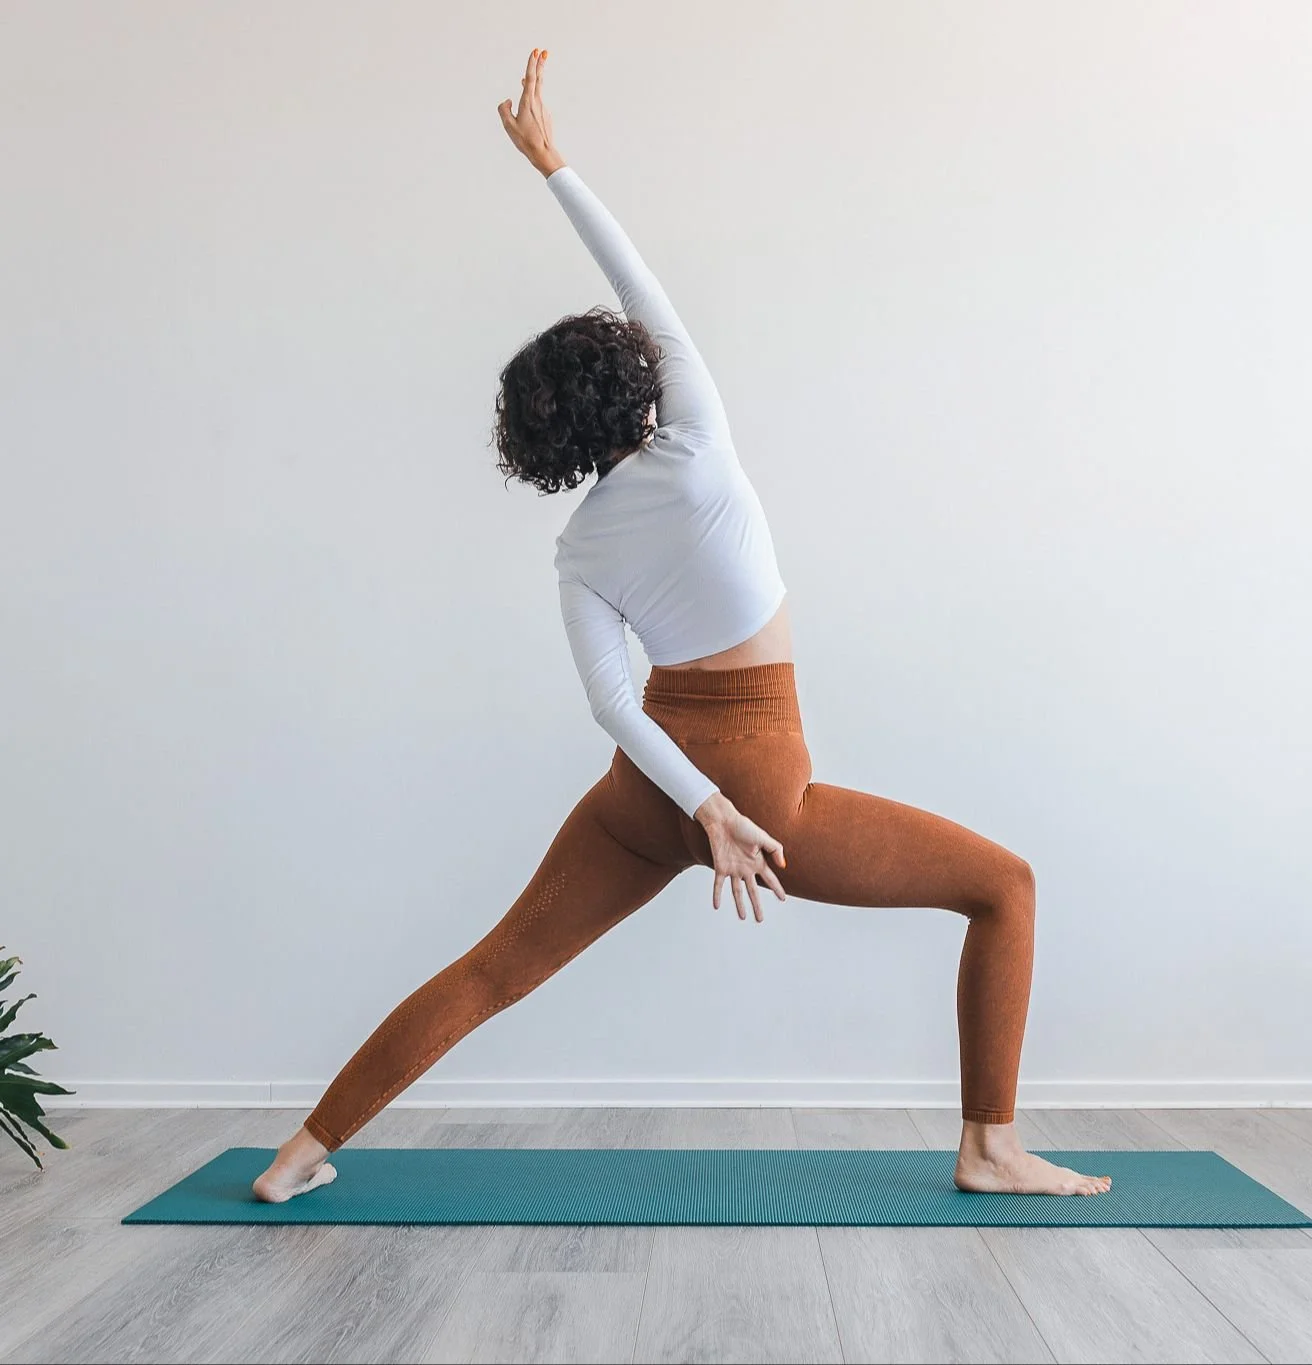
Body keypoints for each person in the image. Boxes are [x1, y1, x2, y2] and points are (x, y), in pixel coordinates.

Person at [253, 48, 1111, 1202]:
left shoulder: (577, 550)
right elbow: (636, 274)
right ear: (632, 377)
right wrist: (552, 164)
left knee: (496, 968)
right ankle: (990, 1148)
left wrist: (693, 807)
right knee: (1004, 887)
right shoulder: (697, 437)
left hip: (645, 791)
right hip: (759, 783)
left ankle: (299, 1155)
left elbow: (613, 703)